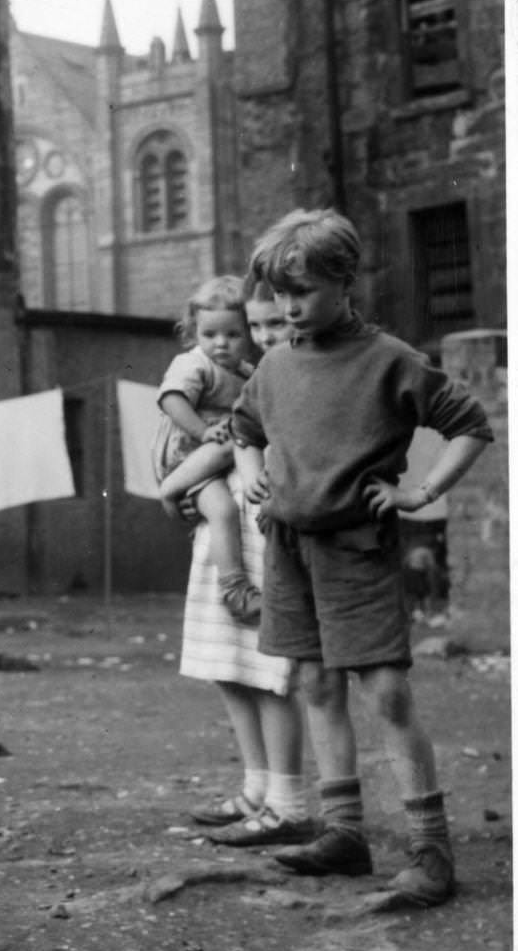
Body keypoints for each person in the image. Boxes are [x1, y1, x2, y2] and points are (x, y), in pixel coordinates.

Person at [233, 208, 493, 908]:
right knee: (316, 687)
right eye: (280, 293)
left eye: (303, 291)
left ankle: (431, 850)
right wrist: (252, 469)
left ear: (344, 283)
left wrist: (421, 491)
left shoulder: (391, 360)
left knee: (385, 692)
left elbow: (471, 425)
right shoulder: (276, 365)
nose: (288, 307)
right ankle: (344, 834)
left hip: (358, 549)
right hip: (290, 550)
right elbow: (244, 428)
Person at [182, 276, 312, 848]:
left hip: (262, 522)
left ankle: (288, 802)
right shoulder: (238, 375)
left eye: (264, 325)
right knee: (227, 665)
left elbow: (237, 437)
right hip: (224, 521)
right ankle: (257, 788)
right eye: (254, 327)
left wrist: (174, 486)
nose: (258, 336)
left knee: (267, 670)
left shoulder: (280, 377)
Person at [153, 275, 259, 624]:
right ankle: (234, 589)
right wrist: (203, 431)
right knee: (223, 512)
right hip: (186, 459)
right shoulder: (195, 363)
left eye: (233, 334)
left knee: (237, 446)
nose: (221, 344)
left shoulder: (247, 372)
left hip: (217, 461)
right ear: (194, 333)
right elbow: (171, 398)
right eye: (210, 334)